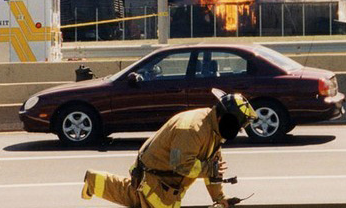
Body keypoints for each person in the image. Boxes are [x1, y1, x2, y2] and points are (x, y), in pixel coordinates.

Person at [81, 89, 257, 208]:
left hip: (162, 178)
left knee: (134, 196)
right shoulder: (192, 130)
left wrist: (219, 198)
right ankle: (93, 181)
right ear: (223, 118)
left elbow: (213, 170)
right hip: (157, 181)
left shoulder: (215, 132)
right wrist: (209, 169)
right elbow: (179, 165)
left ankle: (94, 181)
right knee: (145, 199)